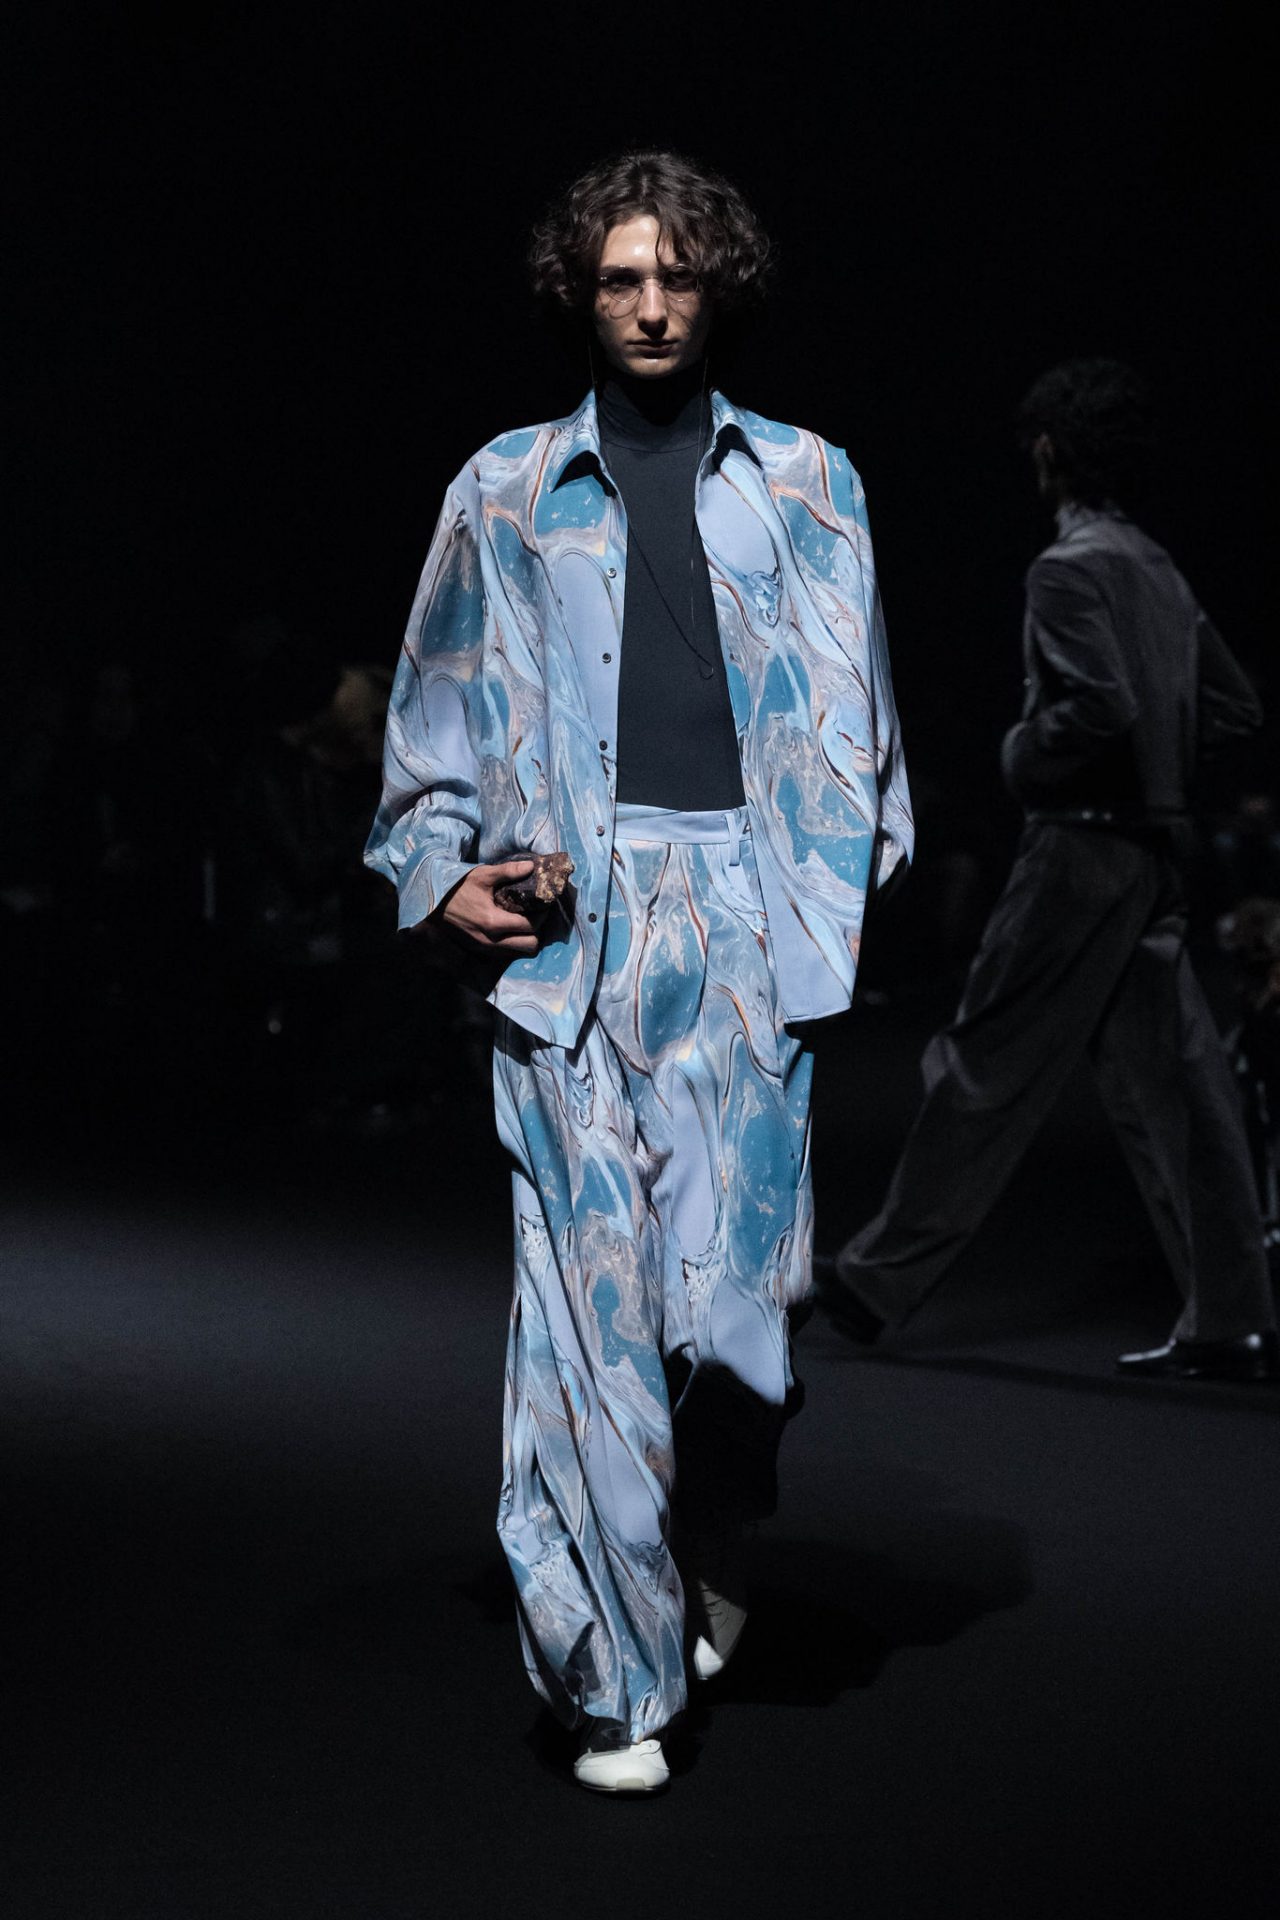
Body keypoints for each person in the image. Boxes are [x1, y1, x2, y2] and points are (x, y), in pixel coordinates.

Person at [365, 149, 911, 1793]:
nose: (654, 305)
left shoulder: (811, 482)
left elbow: (862, 730)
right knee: (590, 1308)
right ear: (579, 295)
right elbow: (433, 712)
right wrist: (441, 876)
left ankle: (709, 1522)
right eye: (622, 278)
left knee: (742, 1315)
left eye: (678, 276)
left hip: (745, 921)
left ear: (719, 286)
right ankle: (613, 1680)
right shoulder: (504, 489)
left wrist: (828, 907)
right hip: (570, 933)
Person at [816, 358, 1278, 1383]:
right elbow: (1236, 708)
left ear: (1046, 452)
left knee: (983, 1062)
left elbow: (1098, 704)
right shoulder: (1156, 566)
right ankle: (1233, 1318)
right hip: (1154, 857)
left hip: (1077, 851)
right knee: (1182, 1091)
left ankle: (873, 1282)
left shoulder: (1066, 571)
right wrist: (1166, 766)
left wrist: (1022, 751)